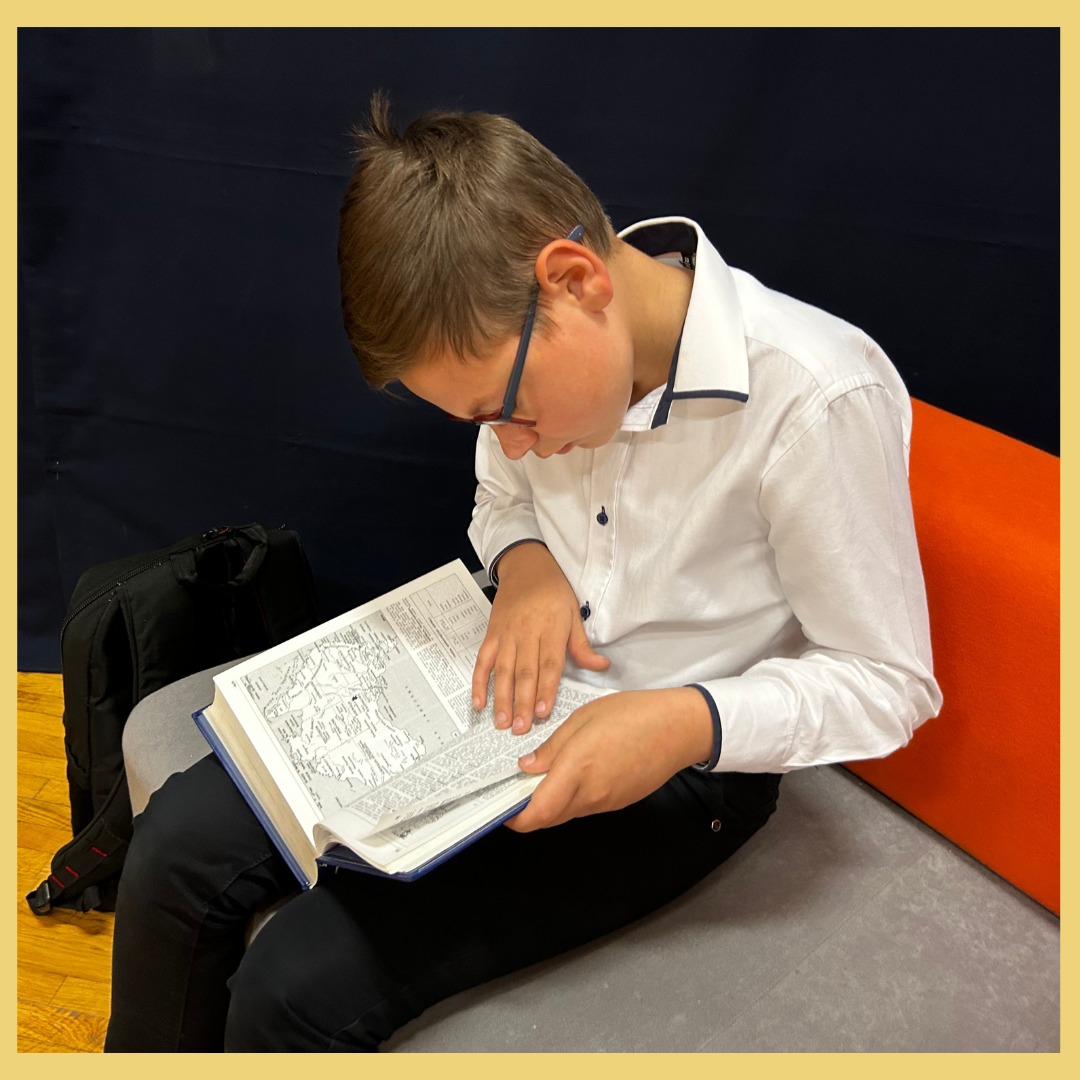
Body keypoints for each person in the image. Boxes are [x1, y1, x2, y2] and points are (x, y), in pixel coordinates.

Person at [104, 95, 941, 1052]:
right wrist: (528, 564)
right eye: (477, 422)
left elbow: (891, 683)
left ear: (574, 281)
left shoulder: (817, 396)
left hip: (684, 766)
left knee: (291, 986)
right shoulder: (538, 366)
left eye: (508, 410)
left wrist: (686, 721)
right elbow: (500, 496)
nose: (510, 443)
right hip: (510, 691)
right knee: (173, 849)